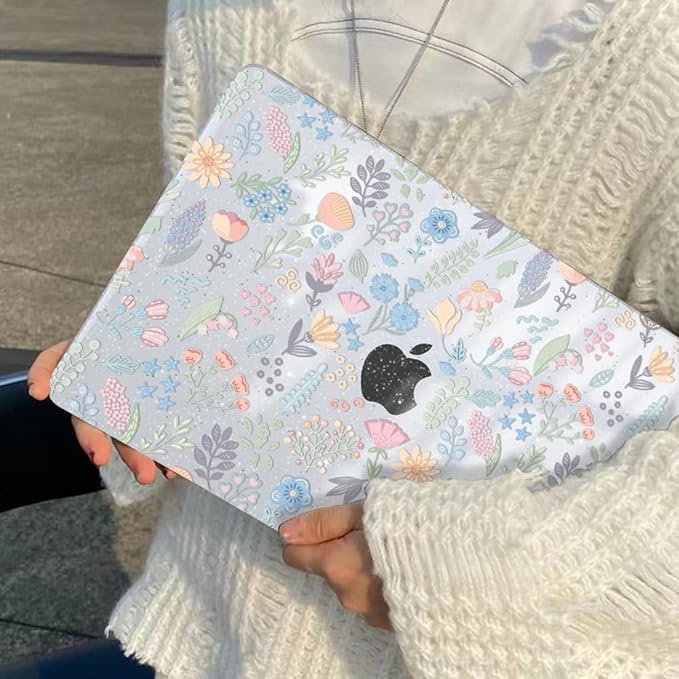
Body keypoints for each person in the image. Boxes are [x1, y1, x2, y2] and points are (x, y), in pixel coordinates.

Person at [28, 1, 679, 676]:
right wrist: (146, 352)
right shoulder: (216, 13)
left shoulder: (656, 57)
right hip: (198, 637)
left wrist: (452, 567)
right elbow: (215, 248)